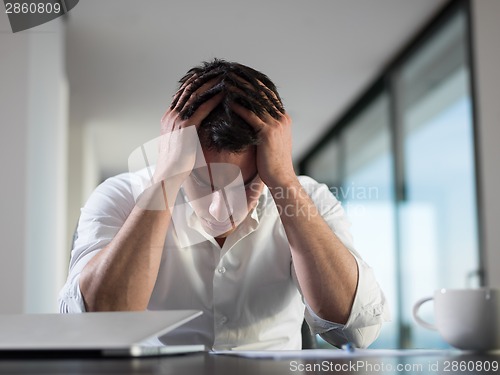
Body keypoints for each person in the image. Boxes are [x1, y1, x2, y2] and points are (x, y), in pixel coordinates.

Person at [59, 59, 389, 350]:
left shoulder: (307, 199)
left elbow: (356, 333)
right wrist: (166, 181)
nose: (221, 210)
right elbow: (91, 328)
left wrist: (284, 183)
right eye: (202, 182)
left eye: (247, 184)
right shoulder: (121, 196)